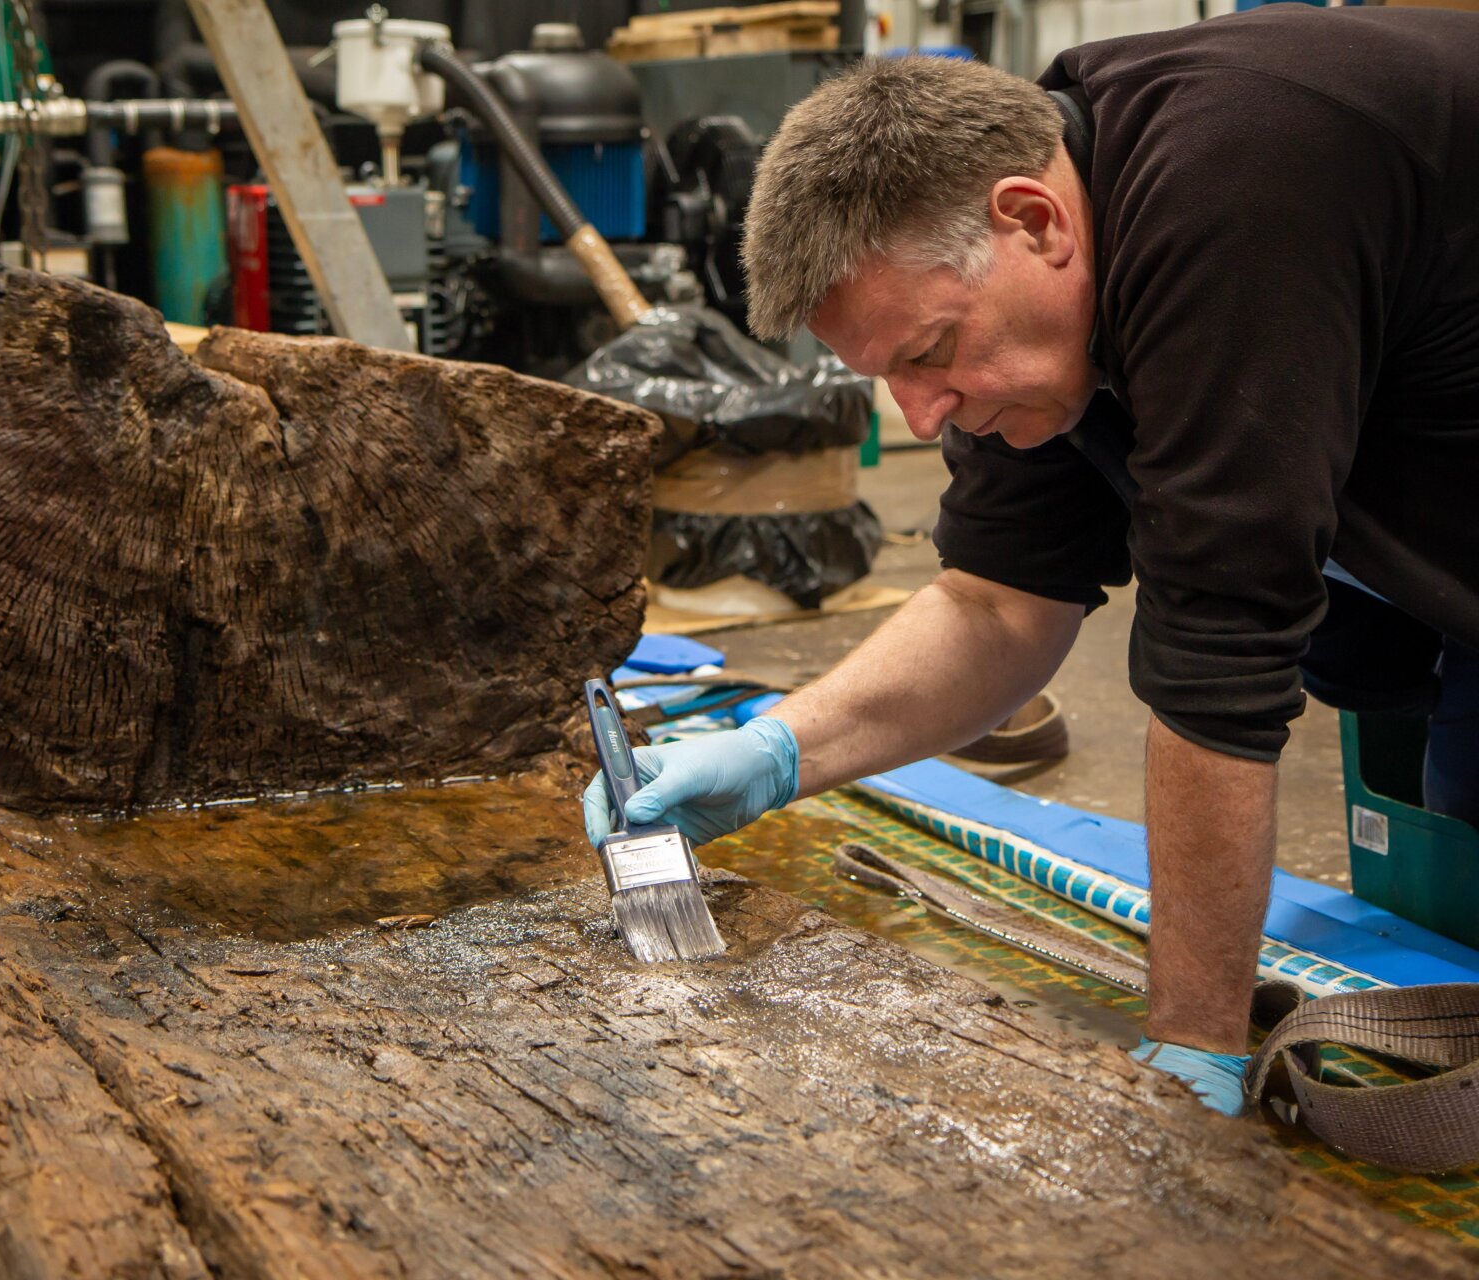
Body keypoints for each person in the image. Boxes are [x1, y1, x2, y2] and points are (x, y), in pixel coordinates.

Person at [583, 5, 1479, 1117]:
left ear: (1034, 221)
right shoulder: (1035, 279)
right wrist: (773, 752)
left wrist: (1193, 1052)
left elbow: (1220, 662)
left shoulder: (1236, 186)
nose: (923, 415)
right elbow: (1000, 603)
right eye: (890, 379)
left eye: (928, 354)